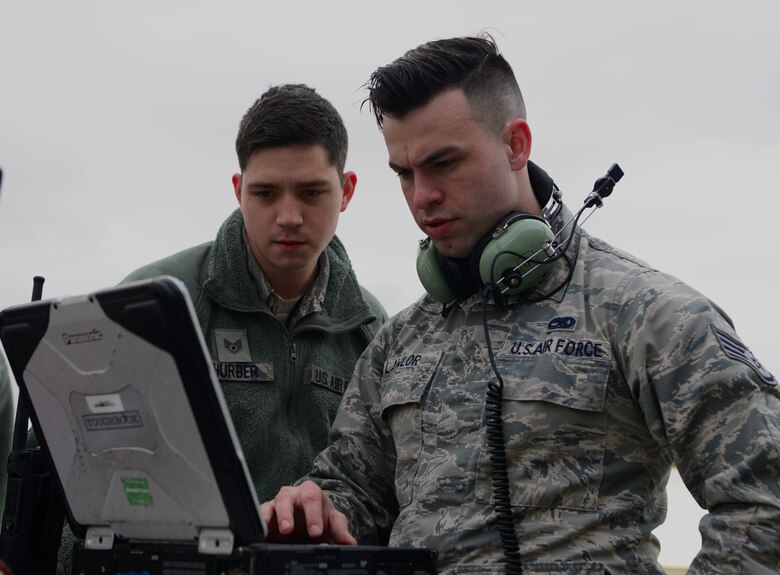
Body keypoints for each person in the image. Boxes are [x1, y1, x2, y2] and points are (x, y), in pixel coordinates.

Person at [260, 36, 780, 574]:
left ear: (516, 145)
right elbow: (352, 493)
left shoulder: (647, 314)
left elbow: (765, 500)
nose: (422, 197)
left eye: (444, 164)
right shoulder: (401, 340)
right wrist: (315, 509)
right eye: (405, 173)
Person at [52, 83, 387, 570]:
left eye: (312, 192)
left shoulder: (374, 332)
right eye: (265, 193)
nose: (289, 217)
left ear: (347, 191)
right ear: (238, 190)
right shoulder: (154, 302)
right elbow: (73, 472)